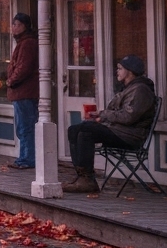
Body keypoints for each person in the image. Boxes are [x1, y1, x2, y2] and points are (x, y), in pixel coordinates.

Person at [62, 56, 156, 193]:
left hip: (130, 136)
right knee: (74, 129)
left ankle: (87, 180)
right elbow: (118, 113)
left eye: (120, 68)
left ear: (130, 71)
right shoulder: (128, 88)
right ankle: (83, 176)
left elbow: (128, 117)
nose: (117, 71)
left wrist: (104, 115)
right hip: (119, 131)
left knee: (86, 130)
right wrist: (101, 117)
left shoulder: (141, 90)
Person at [6, 12, 38, 170]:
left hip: (25, 92)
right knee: (23, 126)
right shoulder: (23, 43)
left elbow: (23, 67)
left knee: (26, 127)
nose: (13, 28)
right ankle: (25, 157)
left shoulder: (28, 43)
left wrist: (11, 81)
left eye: (17, 24)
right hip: (21, 93)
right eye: (13, 24)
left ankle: (28, 158)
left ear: (25, 26)